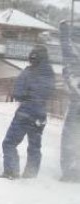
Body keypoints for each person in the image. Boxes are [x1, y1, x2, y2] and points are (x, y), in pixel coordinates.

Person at [0, 45, 55, 179]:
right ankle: (31, 175)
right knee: (34, 146)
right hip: (40, 115)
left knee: (9, 143)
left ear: (33, 57)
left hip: (25, 113)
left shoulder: (28, 72)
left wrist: (23, 94)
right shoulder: (50, 73)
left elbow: (18, 93)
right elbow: (50, 93)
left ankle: (11, 172)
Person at [58, 20, 80, 183]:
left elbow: (67, 53)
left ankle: (71, 170)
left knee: (71, 135)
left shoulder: (74, 54)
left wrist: (64, 33)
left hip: (77, 101)